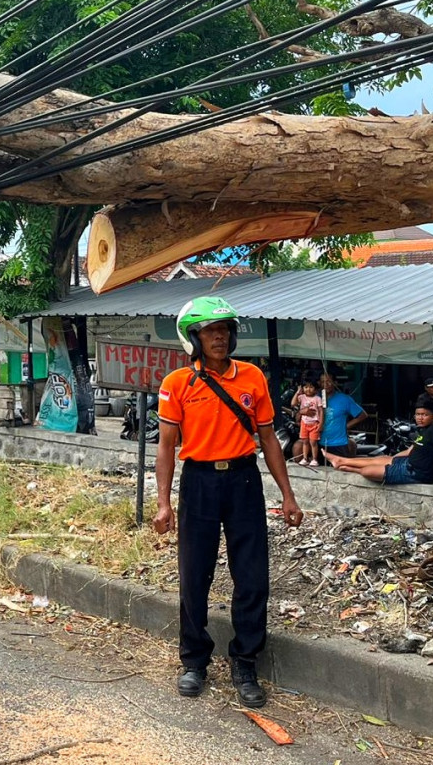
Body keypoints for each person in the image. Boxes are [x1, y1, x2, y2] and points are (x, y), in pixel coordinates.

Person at [154, 296, 303, 708]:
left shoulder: (252, 377)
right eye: (210, 330)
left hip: (243, 480)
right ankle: (194, 661)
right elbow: (166, 447)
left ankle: (245, 661)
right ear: (194, 338)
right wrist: (163, 502)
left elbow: (269, 440)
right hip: (198, 482)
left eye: (225, 329)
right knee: (194, 576)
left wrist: (288, 495)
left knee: (252, 576)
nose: (220, 337)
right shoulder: (177, 385)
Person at [331, 397, 433, 492]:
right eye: (418, 414)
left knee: (368, 471)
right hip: (409, 464)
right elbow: (411, 450)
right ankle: (341, 460)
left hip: (417, 474)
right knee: (383, 458)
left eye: (425, 415)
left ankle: (347, 466)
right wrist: (393, 458)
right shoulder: (424, 430)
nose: (420, 418)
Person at [316, 373, 367, 465]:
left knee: (341, 472)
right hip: (318, 443)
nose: (326, 384)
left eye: (328, 381)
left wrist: (346, 426)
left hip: (338, 443)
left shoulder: (344, 399)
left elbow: (362, 415)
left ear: (335, 383)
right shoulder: (315, 398)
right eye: (323, 382)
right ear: (319, 383)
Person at [292, 380, 323, 467]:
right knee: (305, 441)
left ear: (316, 389)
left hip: (314, 424)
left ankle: (314, 459)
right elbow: (293, 403)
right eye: (306, 387)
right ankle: (305, 458)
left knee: (313, 442)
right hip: (304, 423)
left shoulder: (317, 398)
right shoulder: (301, 397)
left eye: (311, 387)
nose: (308, 389)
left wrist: (320, 423)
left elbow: (321, 411)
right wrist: (297, 393)